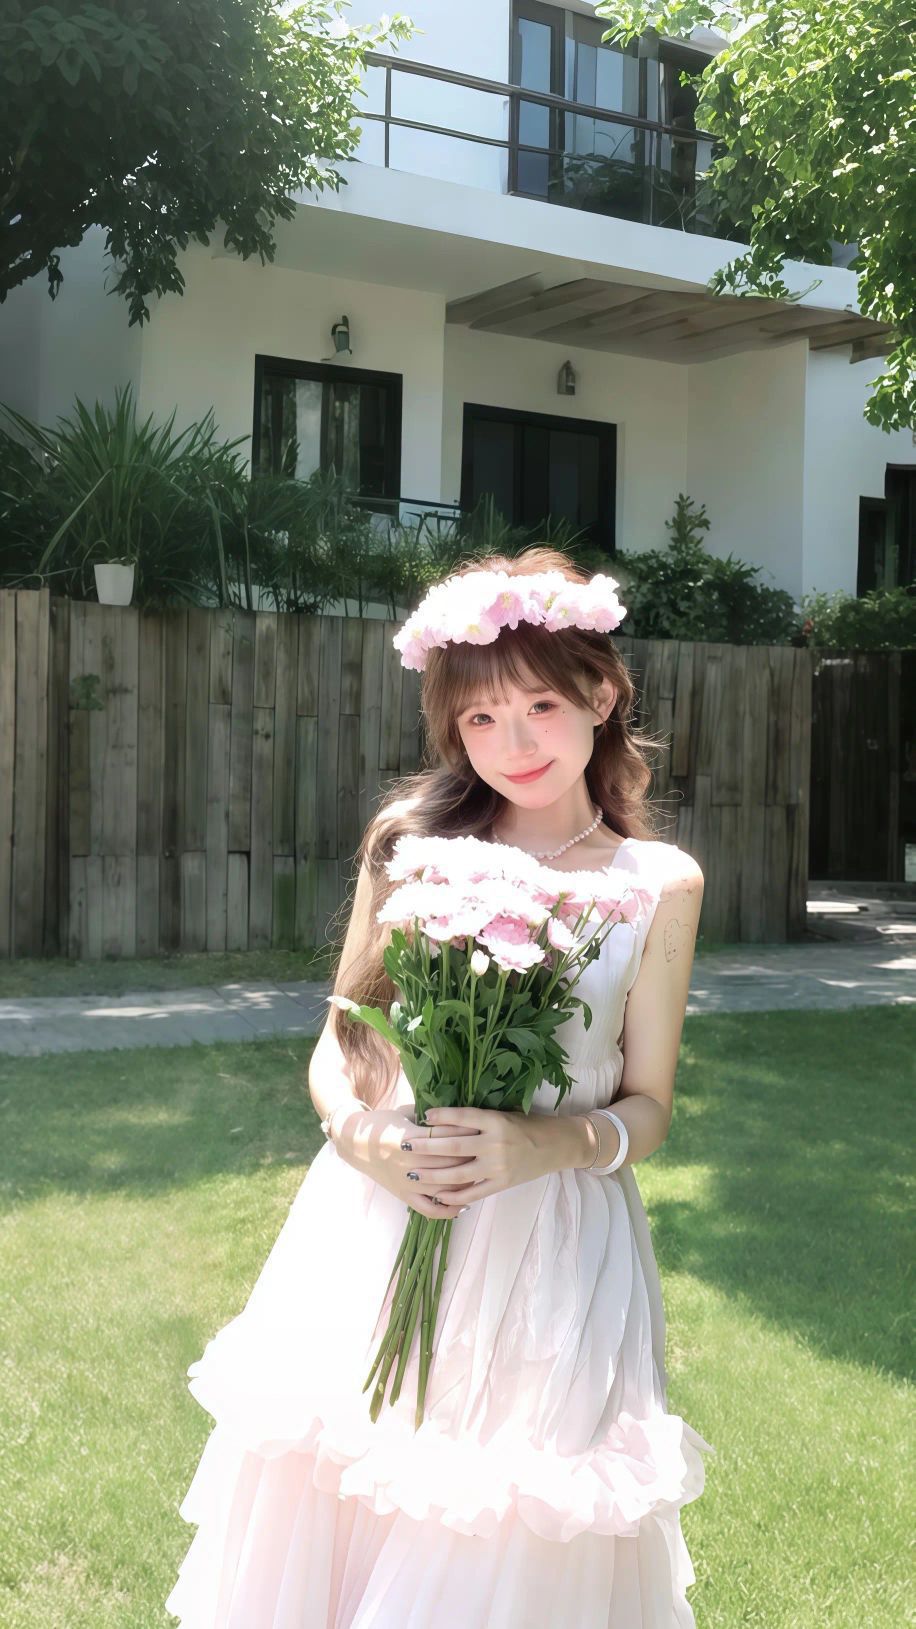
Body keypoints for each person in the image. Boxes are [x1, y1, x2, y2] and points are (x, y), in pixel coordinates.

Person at [165, 545, 715, 1627]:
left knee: (505, 1523)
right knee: (351, 1498)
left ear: (602, 696)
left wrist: (544, 1144)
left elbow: (647, 1105)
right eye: (480, 718)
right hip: (382, 1219)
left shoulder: (656, 883)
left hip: (553, 1244)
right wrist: (359, 1137)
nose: (515, 743)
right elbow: (341, 1044)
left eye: (542, 705)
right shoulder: (412, 847)